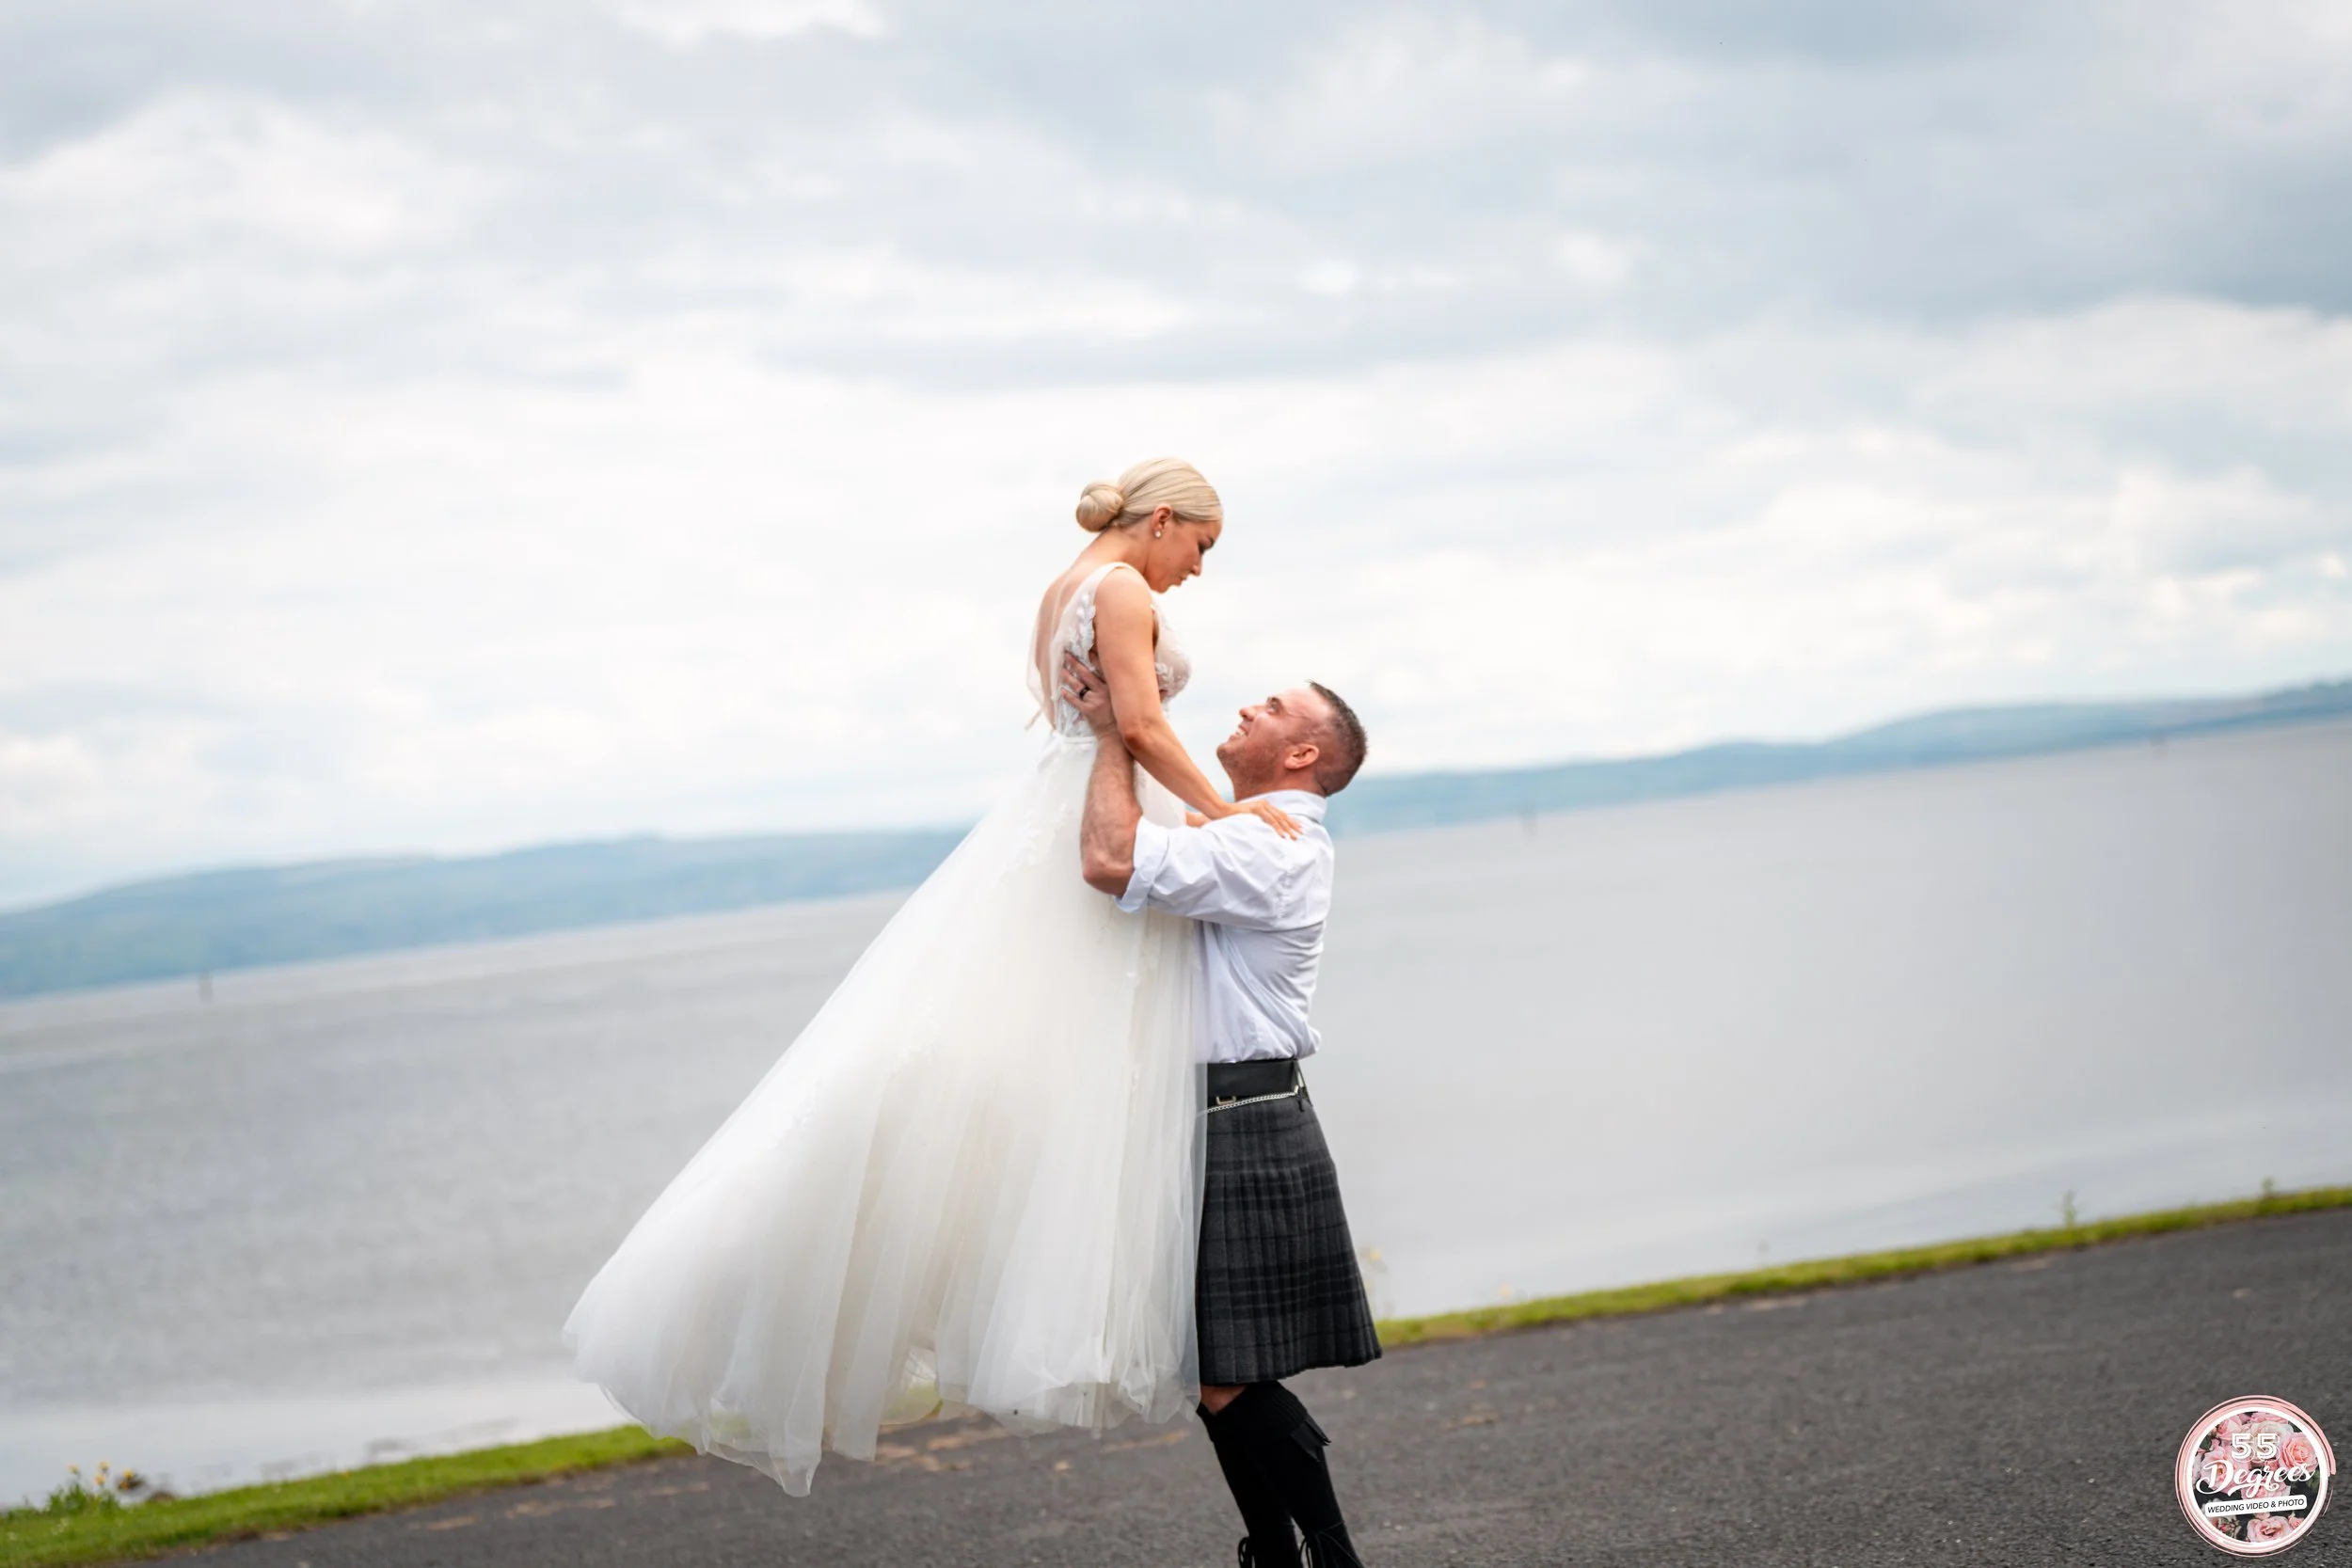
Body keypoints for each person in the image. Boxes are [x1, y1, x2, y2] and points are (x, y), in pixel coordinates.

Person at [564, 458, 1292, 1495]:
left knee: (1023, 1063)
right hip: (1099, 811)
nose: (1198, 572)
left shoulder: (1060, 588)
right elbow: (1134, 725)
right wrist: (1225, 813)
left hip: (1057, 808)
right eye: (1202, 547)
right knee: (1085, 1066)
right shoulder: (1121, 588)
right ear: (1165, 520)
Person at [1062, 650, 1380, 1568]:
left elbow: (1108, 857)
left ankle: (1328, 1553)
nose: (1249, 703)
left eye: (1274, 705)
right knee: (1216, 1371)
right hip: (1220, 1117)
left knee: (1221, 1367)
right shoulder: (1248, 830)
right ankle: (1278, 1553)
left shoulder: (1267, 842)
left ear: (1300, 754)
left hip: (1238, 1117)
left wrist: (1110, 737)